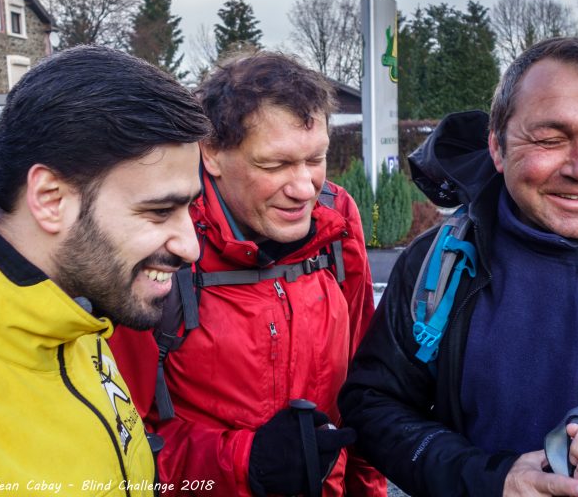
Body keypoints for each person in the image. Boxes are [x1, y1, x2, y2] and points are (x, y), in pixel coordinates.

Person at [339, 37, 578, 496]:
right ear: (498, 148)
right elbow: (373, 405)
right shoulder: (436, 264)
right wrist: (489, 481)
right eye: (549, 139)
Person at [109, 51, 385, 496]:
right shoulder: (163, 244)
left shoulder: (338, 221)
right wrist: (245, 463)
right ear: (212, 153)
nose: (303, 189)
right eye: (274, 165)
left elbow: (362, 387)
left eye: (315, 159)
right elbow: (120, 436)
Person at [0, 45, 211, 495]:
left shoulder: (78, 313)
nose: (190, 246)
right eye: (159, 211)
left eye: (189, 207)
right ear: (51, 199)